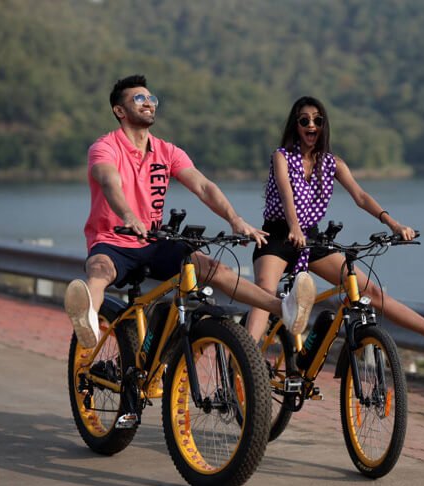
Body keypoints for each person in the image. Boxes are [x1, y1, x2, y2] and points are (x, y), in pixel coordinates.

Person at [64, 75, 315, 353]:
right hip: (113, 240)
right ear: (119, 111)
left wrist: (234, 219)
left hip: (153, 242)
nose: (148, 103)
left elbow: (204, 186)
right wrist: (127, 214)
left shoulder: (166, 151)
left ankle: (284, 308)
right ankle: (87, 319)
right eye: (139, 99)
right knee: (99, 269)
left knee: (215, 268)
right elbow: (109, 180)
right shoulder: (105, 147)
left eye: (151, 99)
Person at [245, 96, 424, 359]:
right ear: (296, 126)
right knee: (265, 293)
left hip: (312, 241)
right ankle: (244, 365)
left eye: (317, 120)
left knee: (371, 291)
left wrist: (394, 224)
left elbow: (361, 197)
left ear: (324, 126)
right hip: (279, 238)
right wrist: (294, 227)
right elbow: (286, 193)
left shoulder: (332, 163)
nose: (311, 125)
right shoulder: (281, 157)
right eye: (305, 120)